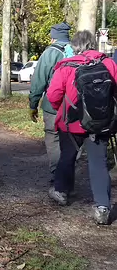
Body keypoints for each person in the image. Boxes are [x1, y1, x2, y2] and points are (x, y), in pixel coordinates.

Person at [46, 31, 117, 225]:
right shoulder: (108, 64)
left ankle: (61, 191)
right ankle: (102, 206)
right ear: (93, 44)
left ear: (75, 46)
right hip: (100, 124)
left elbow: (53, 95)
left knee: (67, 156)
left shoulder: (66, 66)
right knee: (98, 163)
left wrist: (61, 110)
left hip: (71, 123)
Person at [28, 22, 73, 182]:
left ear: (53, 37)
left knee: (53, 139)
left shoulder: (50, 53)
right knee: (71, 141)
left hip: (54, 106)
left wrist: (33, 105)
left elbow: (38, 81)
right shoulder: (78, 50)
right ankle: (69, 176)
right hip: (76, 107)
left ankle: (58, 176)